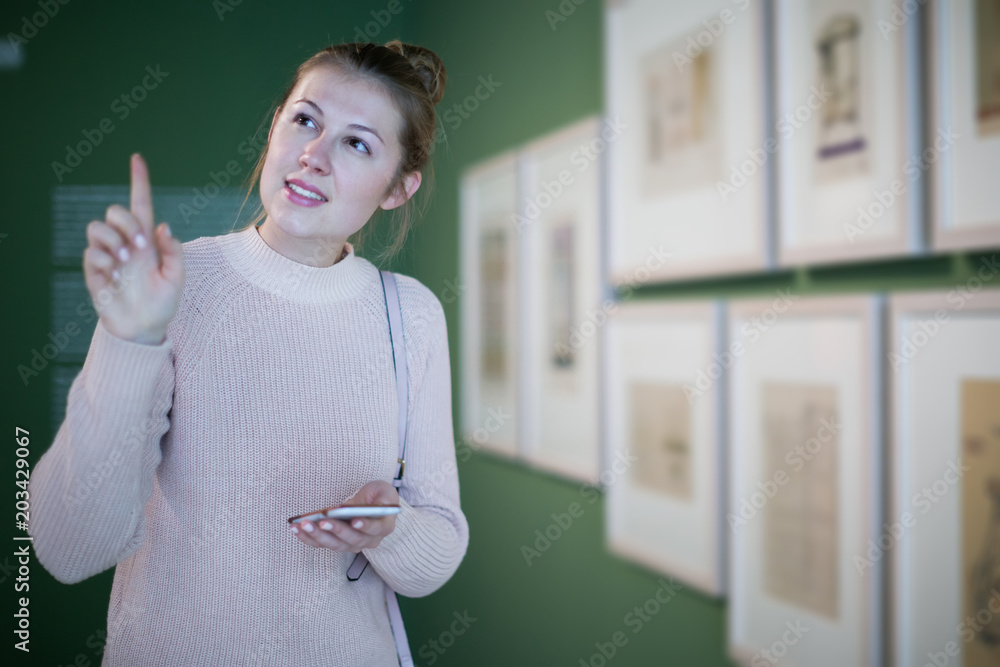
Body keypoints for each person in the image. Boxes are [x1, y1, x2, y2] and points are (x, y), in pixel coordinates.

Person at [26, 41, 468, 666]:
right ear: (276, 127)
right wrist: (132, 340)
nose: (314, 155)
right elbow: (67, 548)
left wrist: (392, 526)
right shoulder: (173, 285)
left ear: (398, 188)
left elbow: (437, 554)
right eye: (306, 120)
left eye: (357, 143)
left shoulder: (413, 316)